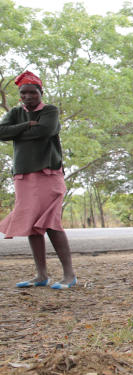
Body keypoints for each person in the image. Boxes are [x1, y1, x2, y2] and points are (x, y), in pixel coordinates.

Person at [0, 71, 76, 289]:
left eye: (32, 92)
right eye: (23, 93)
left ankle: (69, 275)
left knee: (51, 223)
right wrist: (26, 125)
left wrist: (16, 132)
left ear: (40, 93)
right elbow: (1, 132)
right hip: (24, 176)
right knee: (33, 225)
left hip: (48, 175)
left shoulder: (50, 110)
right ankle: (41, 276)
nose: (28, 96)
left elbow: (46, 130)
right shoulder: (16, 113)